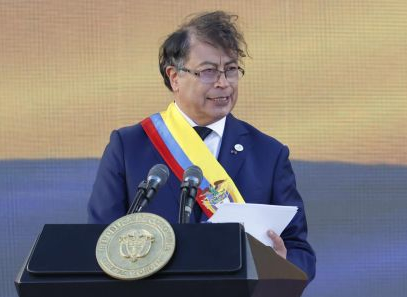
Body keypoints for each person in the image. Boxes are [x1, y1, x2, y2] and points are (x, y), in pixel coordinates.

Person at [88, 11, 316, 281]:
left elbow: (300, 250)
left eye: (231, 70)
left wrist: (281, 264)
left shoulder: (269, 154)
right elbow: (100, 241)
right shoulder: (128, 147)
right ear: (174, 77)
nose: (223, 83)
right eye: (209, 71)